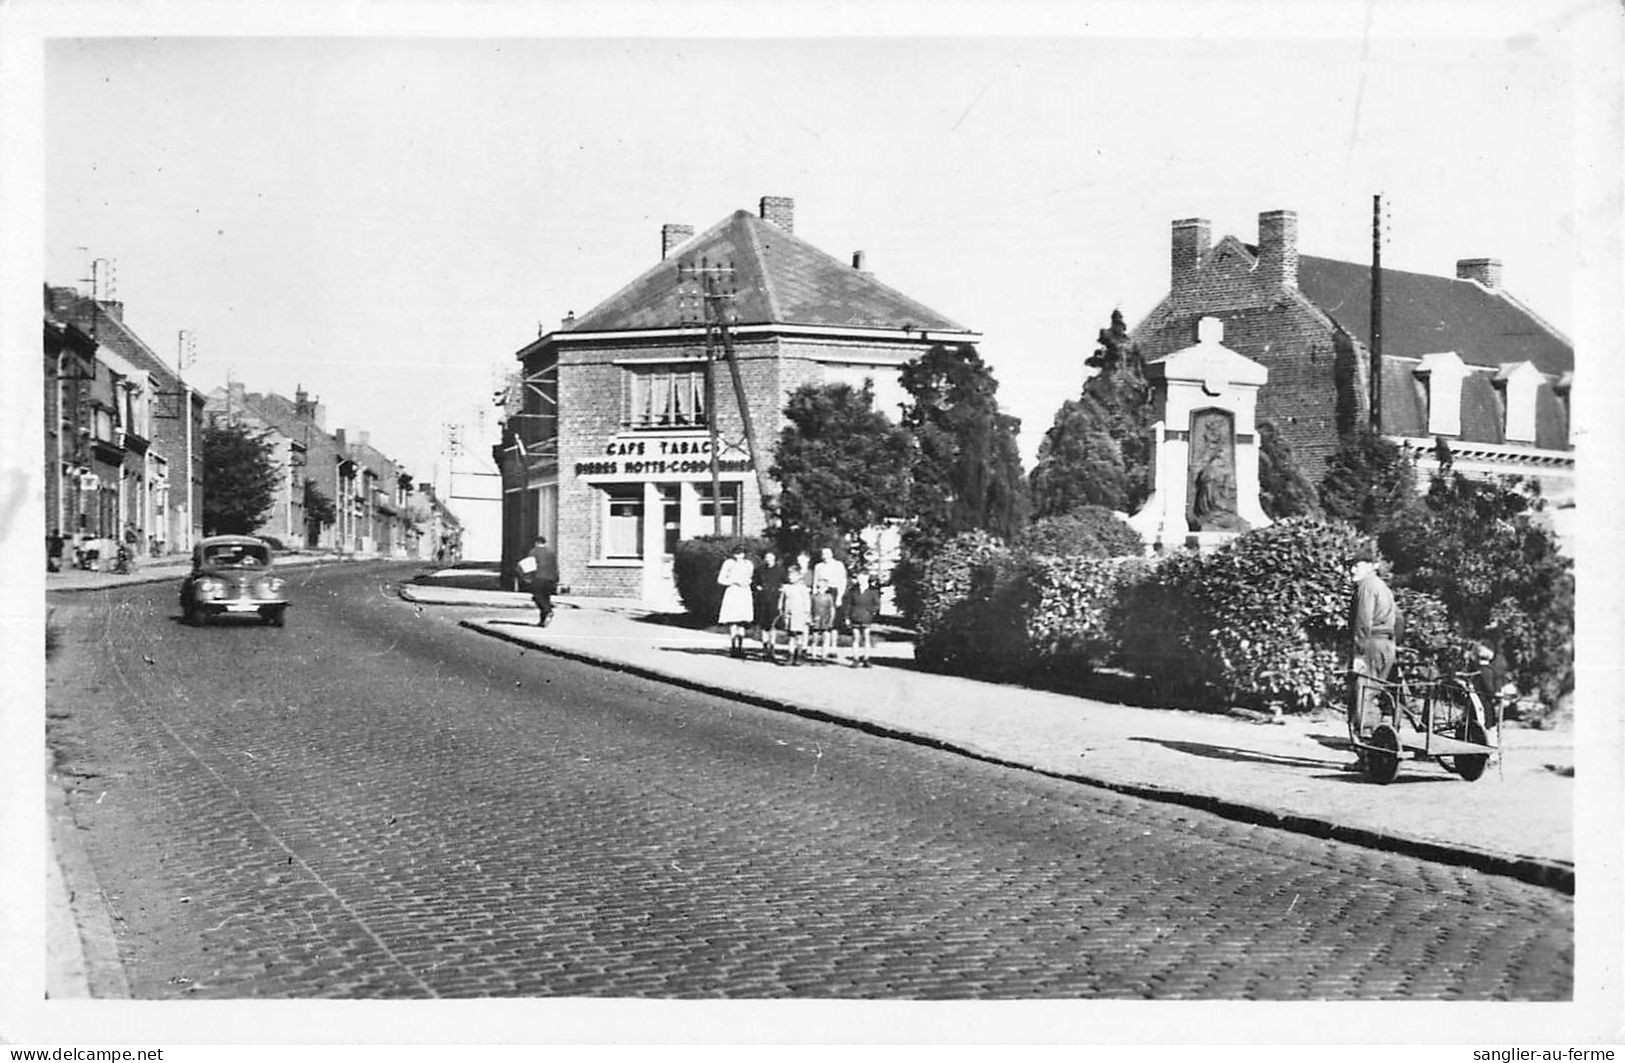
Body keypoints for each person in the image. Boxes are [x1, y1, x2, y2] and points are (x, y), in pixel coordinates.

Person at [1345, 541, 1400, 769]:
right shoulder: (1382, 587)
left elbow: (1361, 623)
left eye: (1357, 565)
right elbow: (1400, 621)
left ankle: (1366, 757)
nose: (1351, 570)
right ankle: (1374, 753)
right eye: (1350, 566)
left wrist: (1358, 654)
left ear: (1370, 566)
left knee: (1362, 697)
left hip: (1369, 645)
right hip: (1386, 645)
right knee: (1373, 696)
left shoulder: (1366, 586)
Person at [811, 547, 849, 663]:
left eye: (827, 554)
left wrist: (840, 597)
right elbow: (815, 581)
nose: (825, 556)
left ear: (832, 554)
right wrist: (814, 594)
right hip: (821, 591)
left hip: (834, 591)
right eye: (823, 554)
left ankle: (833, 648)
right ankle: (818, 649)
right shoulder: (818, 566)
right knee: (819, 621)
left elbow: (843, 581)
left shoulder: (838, 565)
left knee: (834, 621)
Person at [716, 546, 755, 658]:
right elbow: (721, 579)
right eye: (737, 554)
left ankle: (741, 647)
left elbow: (751, 577)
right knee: (733, 620)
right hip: (733, 592)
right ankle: (733, 647)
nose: (739, 556)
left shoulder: (748, 564)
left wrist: (747, 582)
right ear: (733, 554)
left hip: (744, 593)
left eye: (741, 553)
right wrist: (733, 581)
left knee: (742, 620)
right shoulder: (729, 563)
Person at [752, 550, 787, 662]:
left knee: (773, 624)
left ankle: (772, 648)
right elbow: (754, 582)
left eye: (771, 557)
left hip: (775, 599)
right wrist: (758, 588)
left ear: (775, 558)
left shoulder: (780, 570)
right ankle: (765, 647)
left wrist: (781, 590)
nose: (768, 559)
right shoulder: (759, 569)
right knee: (764, 625)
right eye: (767, 557)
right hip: (763, 600)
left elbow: (785, 582)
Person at [844, 570, 883, 668]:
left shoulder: (873, 591)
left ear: (867, 578)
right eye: (859, 578)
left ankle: (866, 659)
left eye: (863, 578)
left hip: (866, 617)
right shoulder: (853, 590)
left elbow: (877, 605)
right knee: (855, 638)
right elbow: (848, 604)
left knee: (866, 638)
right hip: (855, 615)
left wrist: (870, 612)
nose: (861, 580)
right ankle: (855, 659)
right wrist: (847, 617)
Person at [777, 564, 812, 666]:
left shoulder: (803, 588)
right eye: (790, 575)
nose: (791, 577)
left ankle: (799, 655)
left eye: (794, 575)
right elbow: (782, 600)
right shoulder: (787, 587)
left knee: (799, 636)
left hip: (800, 614)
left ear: (799, 576)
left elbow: (807, 602)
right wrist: (781, 610)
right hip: (789, 615)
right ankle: (790, 655)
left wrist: (806, 614)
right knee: (791, 636)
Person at [522, 534, 560, 626]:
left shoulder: (533, 552)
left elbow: (530, 566)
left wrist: (527, 578)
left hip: (538, 578)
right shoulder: (551, 553)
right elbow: (556, 567)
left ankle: (548, 611)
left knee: (537, 597)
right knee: (546, 598)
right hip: (551, 579)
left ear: (536, 543)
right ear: (545, 543)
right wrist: (556, 579)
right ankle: (543, 621)